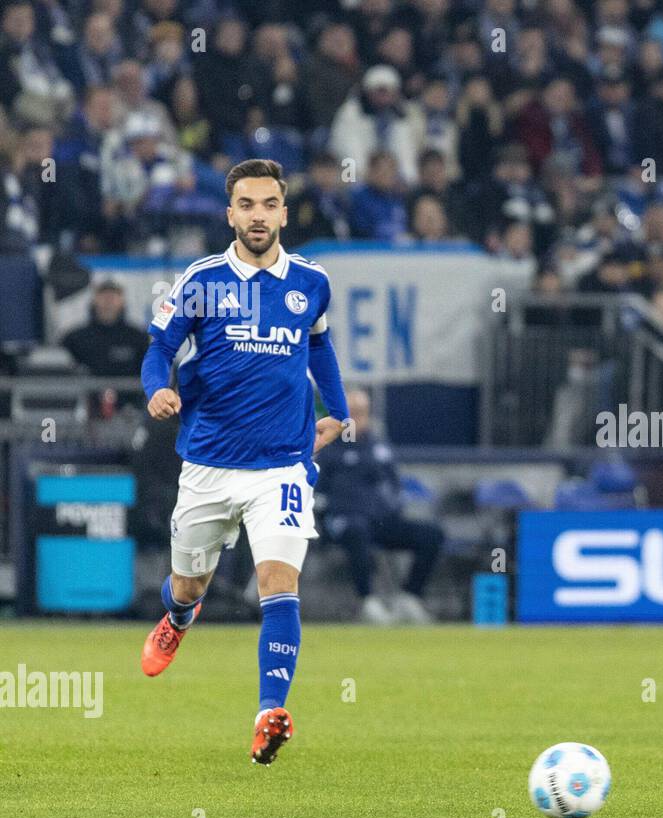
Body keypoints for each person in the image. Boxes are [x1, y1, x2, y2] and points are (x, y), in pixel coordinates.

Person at [138, 158, 349, 765]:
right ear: (230, 213)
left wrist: (336, 411)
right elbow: (160, 347)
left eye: (269, 204)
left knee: (279, 584)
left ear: (284, 211)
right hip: (208, 462)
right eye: (247, 205)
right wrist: (157, 388)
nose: (259, 216)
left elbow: (320, 345)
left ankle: (268, 714)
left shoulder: (311, 281)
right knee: (188, 582)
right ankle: (179, 614)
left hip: (281, 465)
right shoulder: (200, 279)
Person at [317, 388, 445, 624]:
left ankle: (410, 597)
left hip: (382, 521)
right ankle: (367, 601)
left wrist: (394, 506)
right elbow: (316, 491)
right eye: (351, 413)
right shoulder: (329, 449)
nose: (356, 419)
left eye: (361, 413)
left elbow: (395, 485)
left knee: (432, 534)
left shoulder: (380, 447)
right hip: (346, 521)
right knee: (357, 531)